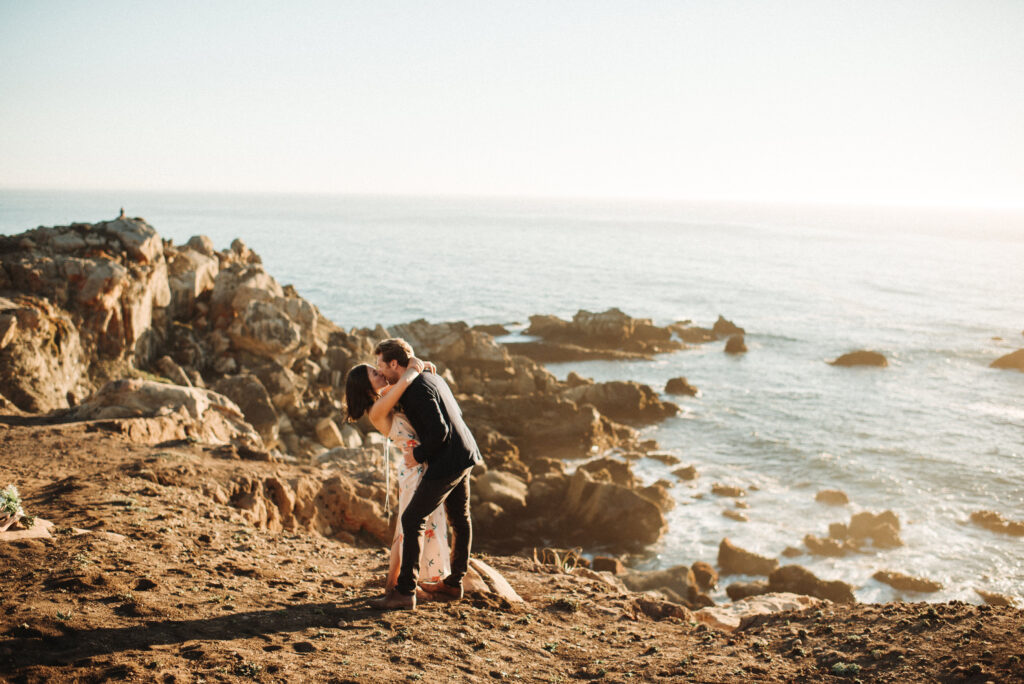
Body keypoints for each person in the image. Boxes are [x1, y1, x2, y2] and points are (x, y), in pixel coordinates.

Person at [371, 338, 482, 610]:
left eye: (380, 365)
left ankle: (405, 592)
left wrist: (416, 456)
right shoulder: (432, 378)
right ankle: (453, 584)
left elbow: (440, 433)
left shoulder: (415, 390)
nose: (380, 371)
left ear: (394, 364)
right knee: (460, 518)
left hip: (448, 460)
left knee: (411, 519)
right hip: (465, 451)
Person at [344, 356, 451, 600]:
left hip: (415, 465)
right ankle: (407, 584)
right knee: (416, 528)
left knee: (405, 529)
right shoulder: (378, 409)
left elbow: (403, 382)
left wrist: (419, 367)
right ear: (365, 386)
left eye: (378, 369)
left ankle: (393, 585)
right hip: (415, 469)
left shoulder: (384, 397)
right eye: (374, 373)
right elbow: (405, 380)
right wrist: (415, 364)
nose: (381, 373)